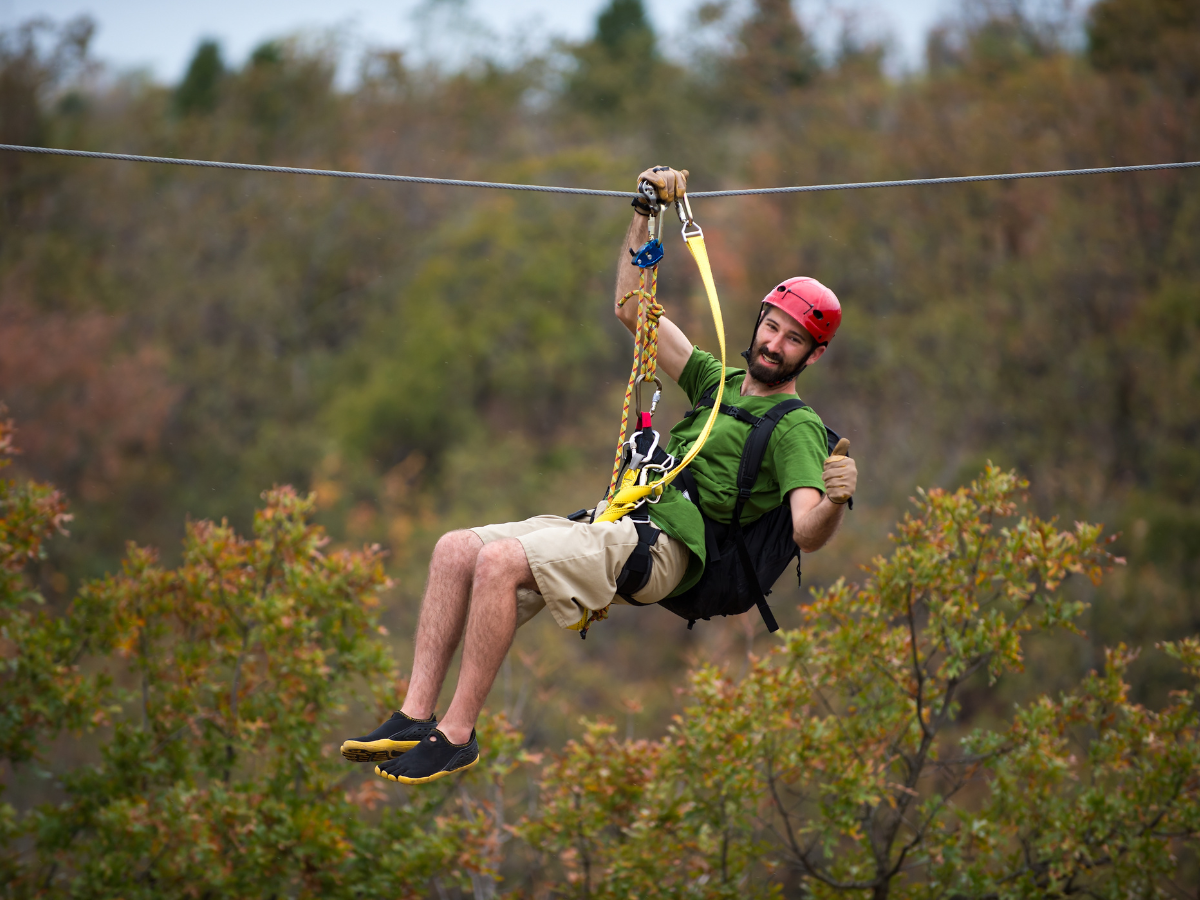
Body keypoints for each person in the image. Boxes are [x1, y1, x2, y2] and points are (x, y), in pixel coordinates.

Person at [340, 166, 859, 785]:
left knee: (501, 562)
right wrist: (642, 211)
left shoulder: (795, 426)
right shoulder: (715, 383)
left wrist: (834, 499)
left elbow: (806, 530)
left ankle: (455, 735)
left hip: (672, 548)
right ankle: (413, 715)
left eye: (793, 339)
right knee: (456, 550)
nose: (775, 344)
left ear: (813, 354)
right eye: (772, 326)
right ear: (759, 321)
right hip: (624, 519)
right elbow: (632, 308)